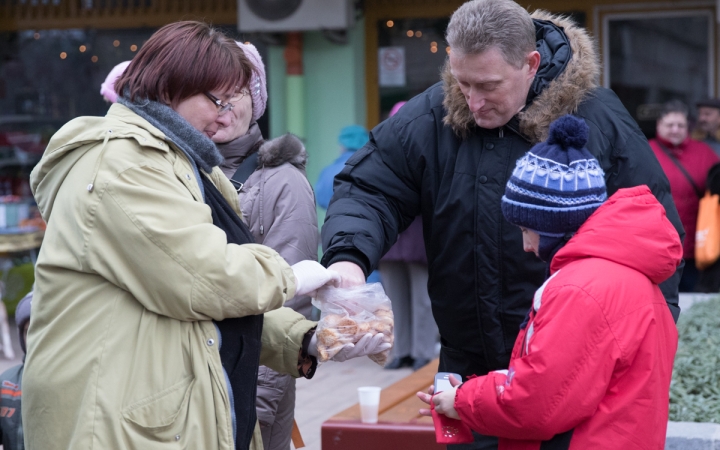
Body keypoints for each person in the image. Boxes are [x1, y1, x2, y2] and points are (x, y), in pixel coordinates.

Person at [320, 1, 683, 447]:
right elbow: (370, 188)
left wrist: (647, 353)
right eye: (461, 81)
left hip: (570, 378)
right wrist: (348, 257)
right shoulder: (432, 115)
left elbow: (651, 237)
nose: (472, 101)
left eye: (488, 85)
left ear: (531, 65)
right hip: (467, 373)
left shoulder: (597, 116)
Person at [24, 21, 386, 450]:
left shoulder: (180, 160)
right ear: (169, 86)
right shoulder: (123, 163)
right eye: (217, 99)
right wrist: (294, 276)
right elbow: (203, 279)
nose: (225, 113)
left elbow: (196, 305)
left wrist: (304, 338)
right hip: (115, 417)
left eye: (237, 99)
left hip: (163, 408)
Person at [421, 114, 681, 450]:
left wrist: (461, 401)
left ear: (555, 223)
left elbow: (537, 403)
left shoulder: (579, 288)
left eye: (527, 230)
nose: (527, 247)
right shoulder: (627, 274)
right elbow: (571, 380)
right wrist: (468, 390)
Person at [210, 42, 318, 450]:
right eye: (209, 92)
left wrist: (256, 401)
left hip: (250, 389)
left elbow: (290, 298)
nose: (221, 105)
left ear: (254, 102)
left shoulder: (281, 181)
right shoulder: (178, 170)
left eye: (233, 93)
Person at [378, 101, 439, 372]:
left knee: (423, 298)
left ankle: (422, 352)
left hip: (418, 237)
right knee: (394, 300)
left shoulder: (430, 150)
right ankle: (400, 351)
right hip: (392, 239)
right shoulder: (381, 151)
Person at [649, 100, 718, 292]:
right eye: (670, 125)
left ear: (688, 127)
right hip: (658, 247)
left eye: (680, 125)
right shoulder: (646, 152)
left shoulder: (704, 153)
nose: (675, 130)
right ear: (659, 125)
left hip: (697, 248)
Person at [0, 291, 32, 450]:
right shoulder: (6, 382)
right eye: (28, 331)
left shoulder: (75, 381)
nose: (34, 338)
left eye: (41, 330)